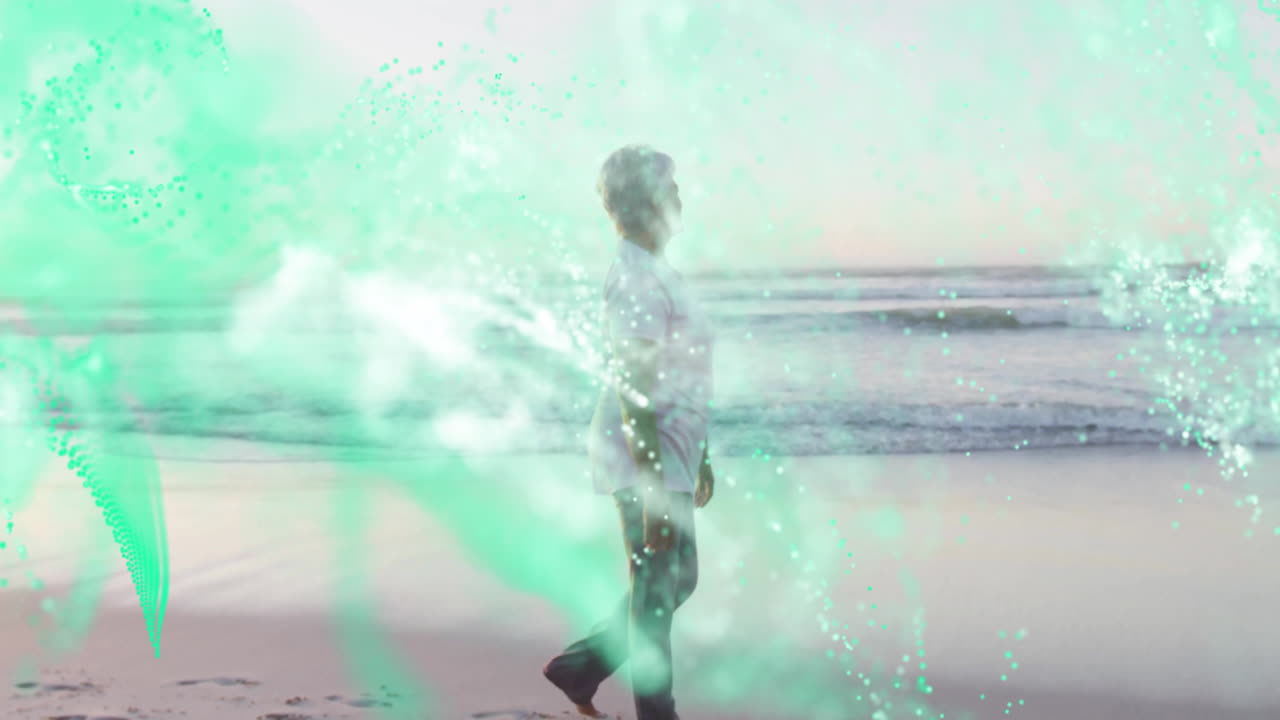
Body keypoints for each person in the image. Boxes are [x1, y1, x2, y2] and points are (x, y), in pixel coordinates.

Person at [542, 144, 716, 720]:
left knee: (674, 579)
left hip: (671, 453)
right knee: (658, 595)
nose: (679, 198)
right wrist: (650, 487)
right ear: (642, 204)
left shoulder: (658, 273)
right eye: (668, 189)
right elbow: (634, 386)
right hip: (644, 456)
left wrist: (703, 455)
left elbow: (682, 369)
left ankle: (581, 667)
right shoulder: (636, 280)